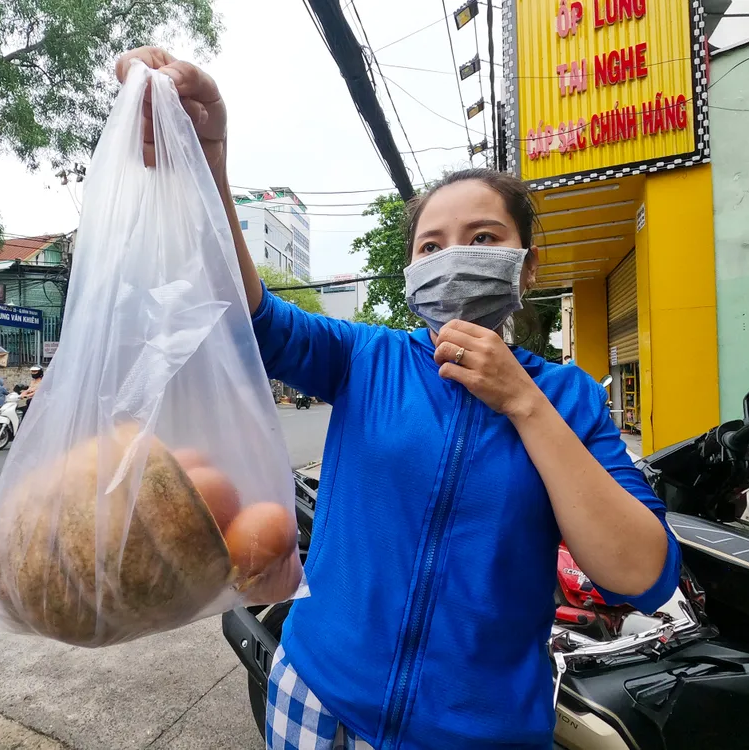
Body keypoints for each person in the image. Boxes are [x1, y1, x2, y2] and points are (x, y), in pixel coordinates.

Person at [117, 49, 681, 750]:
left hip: (478, 735)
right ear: (413, 271)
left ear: (525, 266)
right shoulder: (368, 358)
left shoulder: (568, 399)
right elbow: (246, 313)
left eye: (483, 238)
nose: (454, 256)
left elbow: (642, 574)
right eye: (431, 245)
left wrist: (522, 402)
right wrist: (208, 160)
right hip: (315, 696)